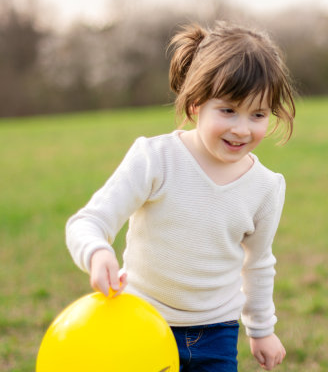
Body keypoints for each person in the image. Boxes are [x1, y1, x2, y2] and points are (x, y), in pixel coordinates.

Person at [65, 21, 296, 371]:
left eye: (258, 114)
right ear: (195, 104)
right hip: (142, 322)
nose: (242, 128)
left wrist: (262, 329)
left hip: (218, 333)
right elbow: (89, 221)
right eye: (228, 110)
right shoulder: (156, 160)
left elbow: (259, 262)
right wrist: (97, 253)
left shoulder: (265, 187)